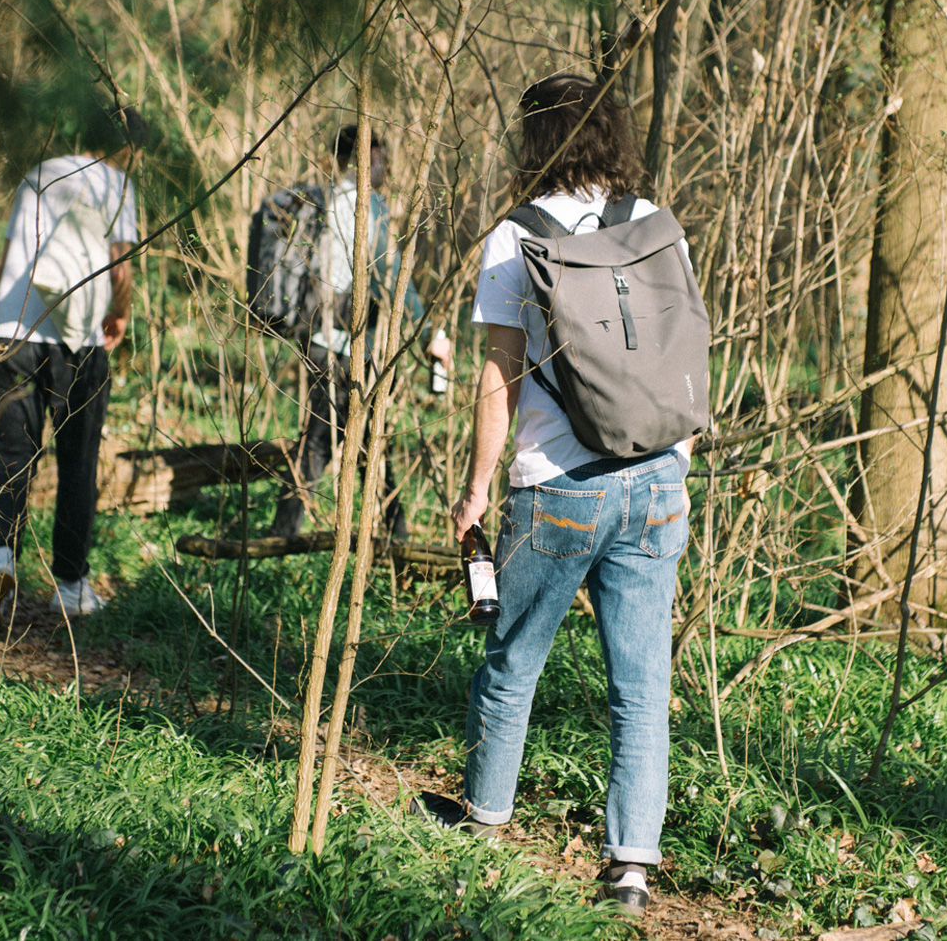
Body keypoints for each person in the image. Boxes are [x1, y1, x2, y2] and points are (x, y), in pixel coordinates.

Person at [430, 75, 694, 917]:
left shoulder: (517, 235)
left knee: (513, 663)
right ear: (611, 133)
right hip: (656, 477)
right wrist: (678, 457)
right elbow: (685, 344)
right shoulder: (653, 221)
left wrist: (476, 489)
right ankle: (631, 869)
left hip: (557, 485)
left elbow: (499, 373)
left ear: (534, 140)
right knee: (640, 687)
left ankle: (484, 824)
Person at [0, 106, 145, 624]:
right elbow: (120, 268)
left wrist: (6, 318)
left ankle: (2, 560)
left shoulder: (38, 173)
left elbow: (8, 258)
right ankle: (70, 585)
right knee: (78, 459)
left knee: (14, 453)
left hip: (13, 333)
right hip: (77, 340)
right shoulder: (115, 184)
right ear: (128, 149)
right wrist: (119, 316)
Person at [267, 124, 453, 539]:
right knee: (328, 438)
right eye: (381, 157)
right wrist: (428, 334)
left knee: (362, 436)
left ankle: (393, 529)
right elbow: (389, 271)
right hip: (344, 344)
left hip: (320, 335)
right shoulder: (366, 205)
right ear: (365, 160)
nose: (387, 166)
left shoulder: (325, 199)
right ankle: (281, 534)